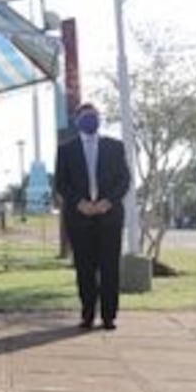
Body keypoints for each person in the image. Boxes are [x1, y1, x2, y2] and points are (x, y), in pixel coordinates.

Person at [54, 102, 130, 330]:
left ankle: (109, 316)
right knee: (84, 268)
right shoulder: (66, 149)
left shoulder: (114, 147)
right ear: (77, 121)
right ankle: (87, 313)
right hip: (80, 217)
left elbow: (124, 180)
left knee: (109, 267)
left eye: (94, 116)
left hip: (109, 215)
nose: (91, 120)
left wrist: (108, 202)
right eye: (86, 116)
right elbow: (61, 183)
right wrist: (80, 204)